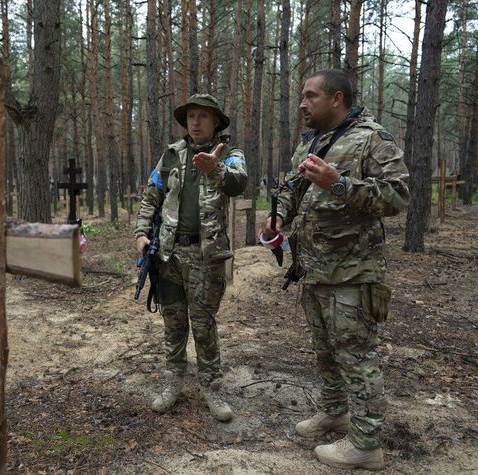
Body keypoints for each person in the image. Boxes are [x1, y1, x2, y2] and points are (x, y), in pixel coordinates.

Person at [261, 70, 409, 469]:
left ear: (337, 98)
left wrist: (340, 183)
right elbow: (294, 187)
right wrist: (278, 216)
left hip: (354, 273)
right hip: (314, 269)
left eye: (310, 96)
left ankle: (366, 444)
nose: (303, 104)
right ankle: (334, 412)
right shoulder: (310, 141)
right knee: (325, 350)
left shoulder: (372, 138)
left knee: (357, 356)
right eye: (302, 97)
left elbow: (398, 197)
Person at [134, 94, 247, 422]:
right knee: (173, 320)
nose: (195, 122)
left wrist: (216, 170)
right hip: (169, 254)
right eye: (191, 117)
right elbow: (151, 195)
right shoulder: (171, 154)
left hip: (206, 255)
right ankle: (173, 380)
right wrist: (142, 233)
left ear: (215, 122)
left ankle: (212, 385)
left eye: (203, 117)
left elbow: (238, 184)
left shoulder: (230, 155)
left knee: (203, 322)